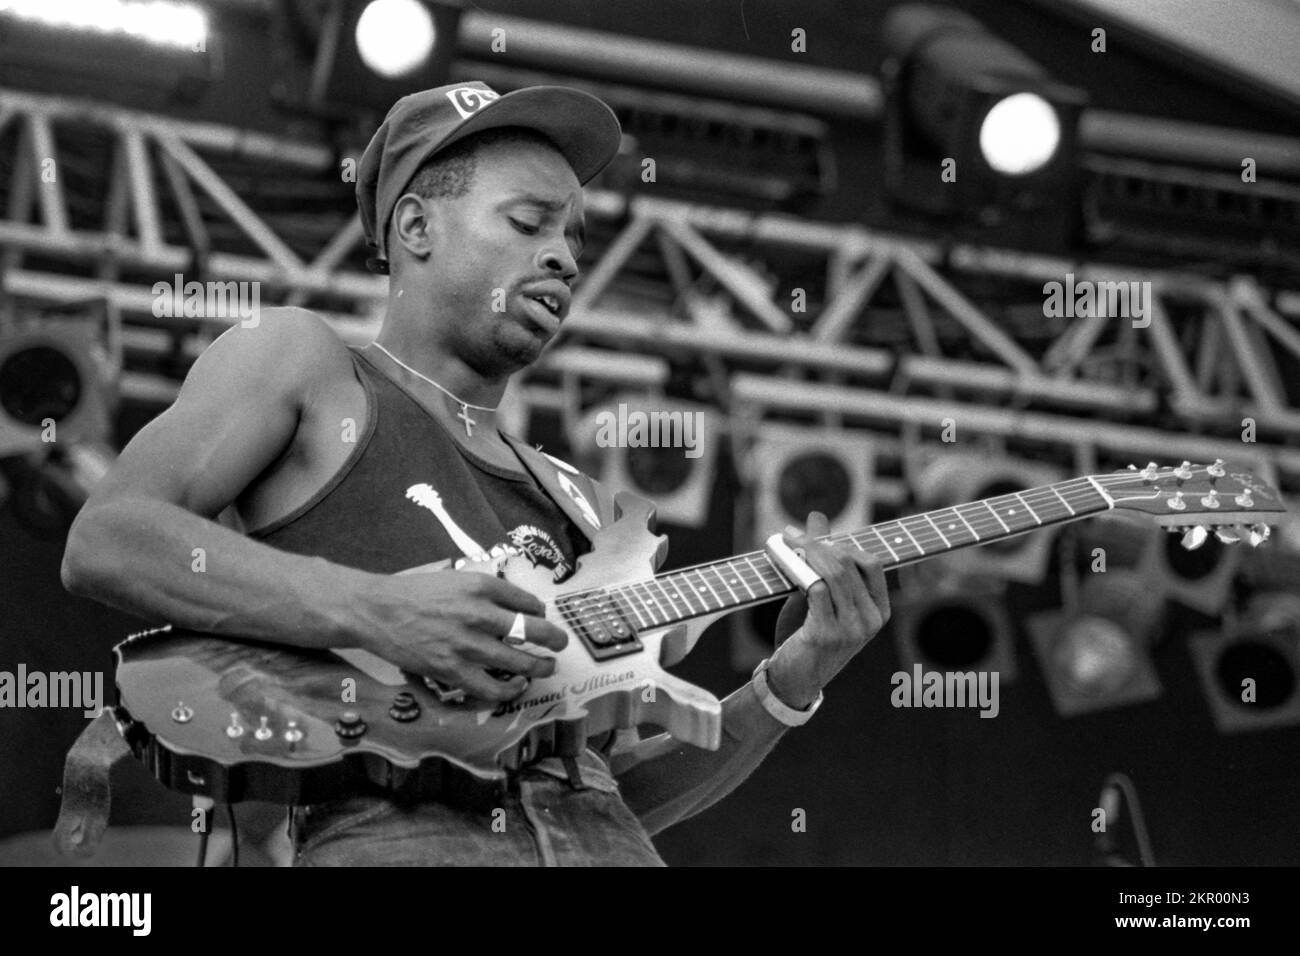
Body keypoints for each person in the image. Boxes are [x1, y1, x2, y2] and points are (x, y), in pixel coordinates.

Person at [60, 81, 892, 866]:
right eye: (530, 223)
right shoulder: (306, 362)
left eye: (574, 237)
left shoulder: (584, 503)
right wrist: (378, 609)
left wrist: (790, 683)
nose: (565, 257)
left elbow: (611, 793)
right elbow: (109, 539)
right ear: (416, 227)